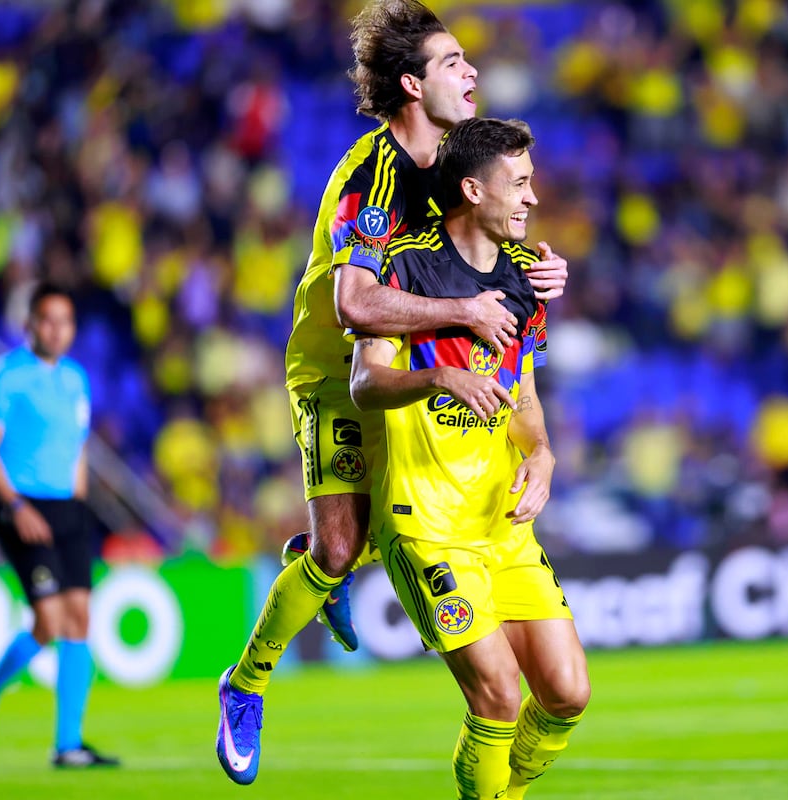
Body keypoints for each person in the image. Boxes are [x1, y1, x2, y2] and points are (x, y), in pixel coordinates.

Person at [215, 0, 568, 786]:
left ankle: (327, 566)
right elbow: (354, 304)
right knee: (340, 546)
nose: (471, 71)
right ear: (412, 84)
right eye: (452, 63)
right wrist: (464, 314)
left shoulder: (455, 167)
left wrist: (539, 274)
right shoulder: (371, 180)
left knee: (357, 539)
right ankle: (246, 683)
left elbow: (483, 248)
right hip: (332, 371)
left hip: (403, 365)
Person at [351, 117, 589, 800]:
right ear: (472, 188)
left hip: (502, 524)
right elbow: (366, 384)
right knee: (497, 694)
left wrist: (541, 455)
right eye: (519, 183)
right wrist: (440, 376)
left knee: (568, 692)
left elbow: (525, 403)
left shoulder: (524, 284)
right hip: (426, 522)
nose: (532, 198)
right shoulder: (406, 268)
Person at [0, 282, 119, 768]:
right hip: (18, 503)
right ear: (29, 323)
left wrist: (78, 506)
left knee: (78, 620)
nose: (56, 330)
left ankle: (68, 745)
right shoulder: (5, 376)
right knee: (49, 621)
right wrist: (16, 506)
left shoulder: (75, 379)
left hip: (65, 507)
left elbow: (76, 448)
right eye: (47, 320)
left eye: (65, 322)